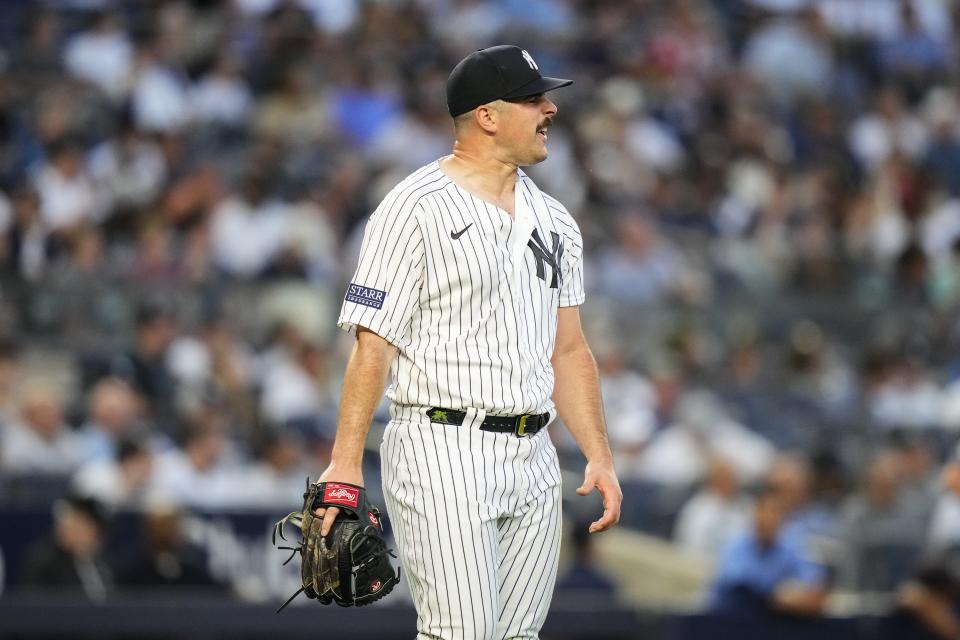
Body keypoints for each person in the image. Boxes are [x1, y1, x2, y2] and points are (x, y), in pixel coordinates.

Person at [311, 45, 622, 639]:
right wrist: (345, 464)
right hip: (442, 447)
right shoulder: (412, 207)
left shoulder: (557, 219)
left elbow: (570, 351)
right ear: (487, 115)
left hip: (535, 455)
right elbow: (372, 345)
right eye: (534, 99)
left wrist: (599, 454)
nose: (550, 108)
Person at [708, 486, 829, 618]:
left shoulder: (792, 543)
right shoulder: (736, 546)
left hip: (774, 625)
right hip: (730, 622)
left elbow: (813, 580)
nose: (768, 518)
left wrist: (806, 594)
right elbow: (743, 590)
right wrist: (780, 596)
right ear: (754, 514)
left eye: (774, 512)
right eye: (763, 511)